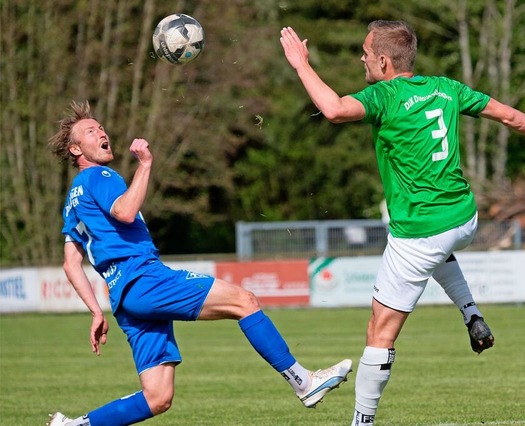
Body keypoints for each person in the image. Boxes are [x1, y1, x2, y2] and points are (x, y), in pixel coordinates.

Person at [280, 20, 525, 425]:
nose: (361, 58)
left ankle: (361, 422)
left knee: (379, 333)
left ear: (383, 60)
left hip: (420, 232)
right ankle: (470, 313)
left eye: (365, 52)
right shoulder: (446, 87)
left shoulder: (385, 95)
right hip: (464, 218)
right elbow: (507, 116)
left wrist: (301, 65)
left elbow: (333, 109)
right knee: (440, 252)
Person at [46, 100, 352, 426]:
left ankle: (75, 425)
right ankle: (303, 382)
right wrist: (146, 165)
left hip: (123, 297)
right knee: (244, 301)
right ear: (76, 149)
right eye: (91, 131)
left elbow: (70, 263)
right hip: (143, 278)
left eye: (101, 127)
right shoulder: (101, 176)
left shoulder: (74, 196)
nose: (102, 132)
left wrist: (96, 311)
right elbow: (124, 211)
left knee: (158, 398)